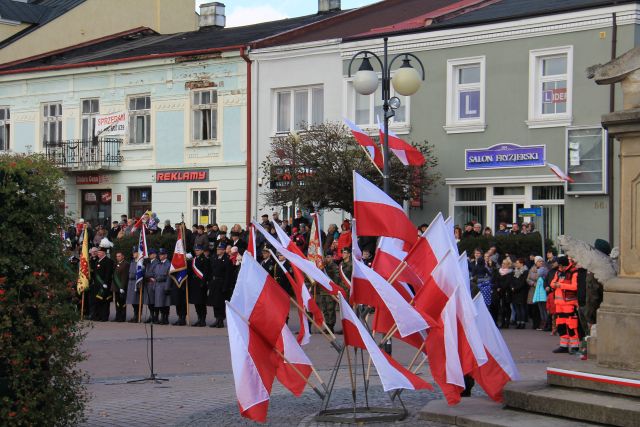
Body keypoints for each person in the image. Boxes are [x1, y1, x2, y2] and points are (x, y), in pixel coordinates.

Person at [550, 256, 580, 353]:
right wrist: (556, 284)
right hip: (559, 304)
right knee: (561, 325)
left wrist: (561, 285)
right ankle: (564, 346)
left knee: (571, 325)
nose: (560, 268)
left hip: (569, 303)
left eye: (561, 266)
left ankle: (575, 346)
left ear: (564, 265)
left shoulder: (573, 272)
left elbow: (574, 287)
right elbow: (552, 283)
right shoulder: (558, 272)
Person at [208, 242, 231, 328]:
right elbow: (211, 271)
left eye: (220, 249)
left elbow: (228, 275)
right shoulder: (215, 258)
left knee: (220, 303)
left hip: (221, 283)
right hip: (214, 283)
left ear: (224, 250)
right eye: (217, 249)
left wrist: (225, 286)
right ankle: (216, 318)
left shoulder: (227, 260)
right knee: (215, 302)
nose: (218, 250)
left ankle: (221, 320)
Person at [317, 251, 341, 333]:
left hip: (330, 292)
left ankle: (331, 326)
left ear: (332, 257)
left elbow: (337, 278)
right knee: (325, 309)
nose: (327, 259)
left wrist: (333, 288)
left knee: (331, 309)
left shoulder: (334, 266)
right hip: (323, 291)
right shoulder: (323, 266)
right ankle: (327, 325)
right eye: (326, 257)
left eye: (328, 257)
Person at [189, 245, 210, 327]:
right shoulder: (194, 260)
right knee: (196, 303)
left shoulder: (205, 259)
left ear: (202, 251)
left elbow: (206, 272)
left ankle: (203, 320)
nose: (196, 251)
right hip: (194, 283)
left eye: (198, 250)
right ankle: (199, 319)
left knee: (201, 303)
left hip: (201, 283)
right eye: (195, 250)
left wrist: (203, 282)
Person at [93, 245, 114, 322]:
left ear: (104, 253)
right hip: (97, 285)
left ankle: (104, 317)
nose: (98, 253)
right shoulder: (97, 261)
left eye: (99, 252)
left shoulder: (108, 261)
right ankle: (98, 316)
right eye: (98, 252)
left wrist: (105, 282)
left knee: (105, 302)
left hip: (104, 285)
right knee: (98, 301)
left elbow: (108, 273)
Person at [528, 256, 548, 330]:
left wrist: (534, 277)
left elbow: (539, 276)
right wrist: (533, 283)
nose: (541, 262)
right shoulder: (532, 269)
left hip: (542, 291)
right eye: (539, 261)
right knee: (539, 309)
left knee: (544, 309)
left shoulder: (544, 270)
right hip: (535, 291)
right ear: (536, 262)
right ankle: (542, 324)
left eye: (542, 261)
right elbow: (528, 279)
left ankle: (545, 324)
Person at [154, 248, 172, 325]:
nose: (160, 256)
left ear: (166, 255)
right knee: (159, 303)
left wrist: (167, 287)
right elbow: (155, 275)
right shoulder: (158, 264)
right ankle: (162, 317)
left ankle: (165, 318)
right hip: (158, 285)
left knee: (165, 303)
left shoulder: (168, 264)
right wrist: (154, 285)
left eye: (162, 254)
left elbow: (169, 276)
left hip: (164, 284)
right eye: (160, 254)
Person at [511, 258, 529, 329]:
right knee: (516, 308)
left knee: (522, 308)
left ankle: (522, 323)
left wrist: (515, 288)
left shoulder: (525, 271)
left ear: (522, 264)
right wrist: (512, 287)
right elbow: (512, 280)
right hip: (515, 292)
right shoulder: (514, 271)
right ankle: (518, 322)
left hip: (522, 292)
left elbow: (523, 282)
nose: (516, 264)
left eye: (517, 263)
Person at [495, 258, 513, 328]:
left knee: (507, 307)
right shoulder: (498, 271)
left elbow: (508, 282)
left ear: (508, 265)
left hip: (506, 292)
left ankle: (507, 322)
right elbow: (496, 280)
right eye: (502, 263)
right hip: (499, 292)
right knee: (501, 308)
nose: (503, 265)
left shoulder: (510, 273)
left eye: (505, 263)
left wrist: (501, 288)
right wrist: (497, 287)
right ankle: (502, 322)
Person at [126, 246, 142, 322]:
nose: (133, 254)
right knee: (132, 301)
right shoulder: (132, 262)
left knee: (137, 301)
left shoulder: (140, 263)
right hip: (131, 283)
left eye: (135, 252)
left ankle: (138, 315)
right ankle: (135, 315)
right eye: (133, 252)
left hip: (137, 283)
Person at [113, 250, 129, 322]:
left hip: (122, 287)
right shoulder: (116, 264)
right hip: (116, 287)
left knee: (122, 303)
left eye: (119, 256)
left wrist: (122, 287)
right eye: (117, 256)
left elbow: (124, 276)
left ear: (123, 256)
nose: (117, 257)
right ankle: (117, 316)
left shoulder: (125, 264)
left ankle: (122, 317)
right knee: (117, 302)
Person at [143, 249, 159, 323]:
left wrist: (147, 276)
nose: (150, 255)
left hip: (153, 283)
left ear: (155, 255)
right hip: (147, 283)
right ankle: (151, 315)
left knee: (153, 302)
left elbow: (154, 273)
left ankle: (155, 316)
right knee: (149, 302)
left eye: (151, 254)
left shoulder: (157, 263)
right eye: (149, 254)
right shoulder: (149, 263)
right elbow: (146, 272)